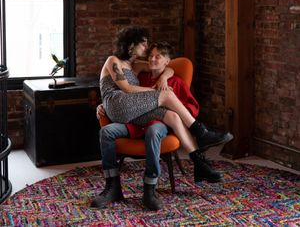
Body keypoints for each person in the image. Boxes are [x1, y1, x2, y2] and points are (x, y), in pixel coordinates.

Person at [92, 28, 233, 209]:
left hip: (132, 111)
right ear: (131, 44)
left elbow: (170, 67)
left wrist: (165, 77)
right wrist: (157, 91)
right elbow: (126, 88)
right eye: (143, 43)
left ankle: (199, 163)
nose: (146, 47)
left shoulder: (136, 65)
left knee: (172, 116)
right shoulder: (113, 61)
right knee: (166, 97)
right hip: (118, 105)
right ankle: (200, 131)